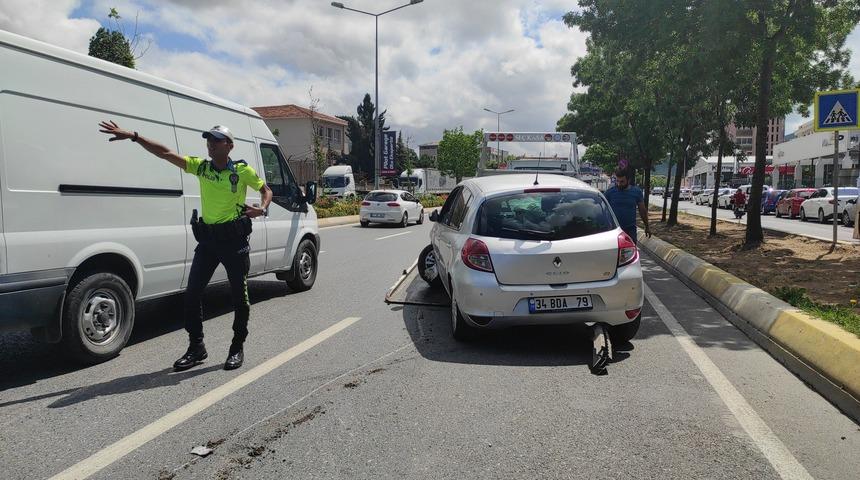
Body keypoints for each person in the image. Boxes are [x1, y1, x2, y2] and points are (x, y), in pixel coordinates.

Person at [98, 121, 272, 371]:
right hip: (209, 242)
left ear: (229, 146)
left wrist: (262, 209)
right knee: (191, 294)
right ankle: (196, 348)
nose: (209, 144)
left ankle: (237, 346)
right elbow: (166, 153)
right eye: (208, 140)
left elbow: (266, 190)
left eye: (215, 140)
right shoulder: (201, 167)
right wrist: (135, 136)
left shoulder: (242, 171)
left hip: (234, 242)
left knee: (239, 297)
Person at [603, 169, 650, 243]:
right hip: (614, 230)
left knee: (631, 252)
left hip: (630, 230)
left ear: (628, 180)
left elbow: (642, 211)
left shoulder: (637, 192)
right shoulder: (609, 193)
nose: (619, 184)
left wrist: (647, 226)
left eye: (622, 181)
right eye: (617, 181)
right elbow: (602, 209)